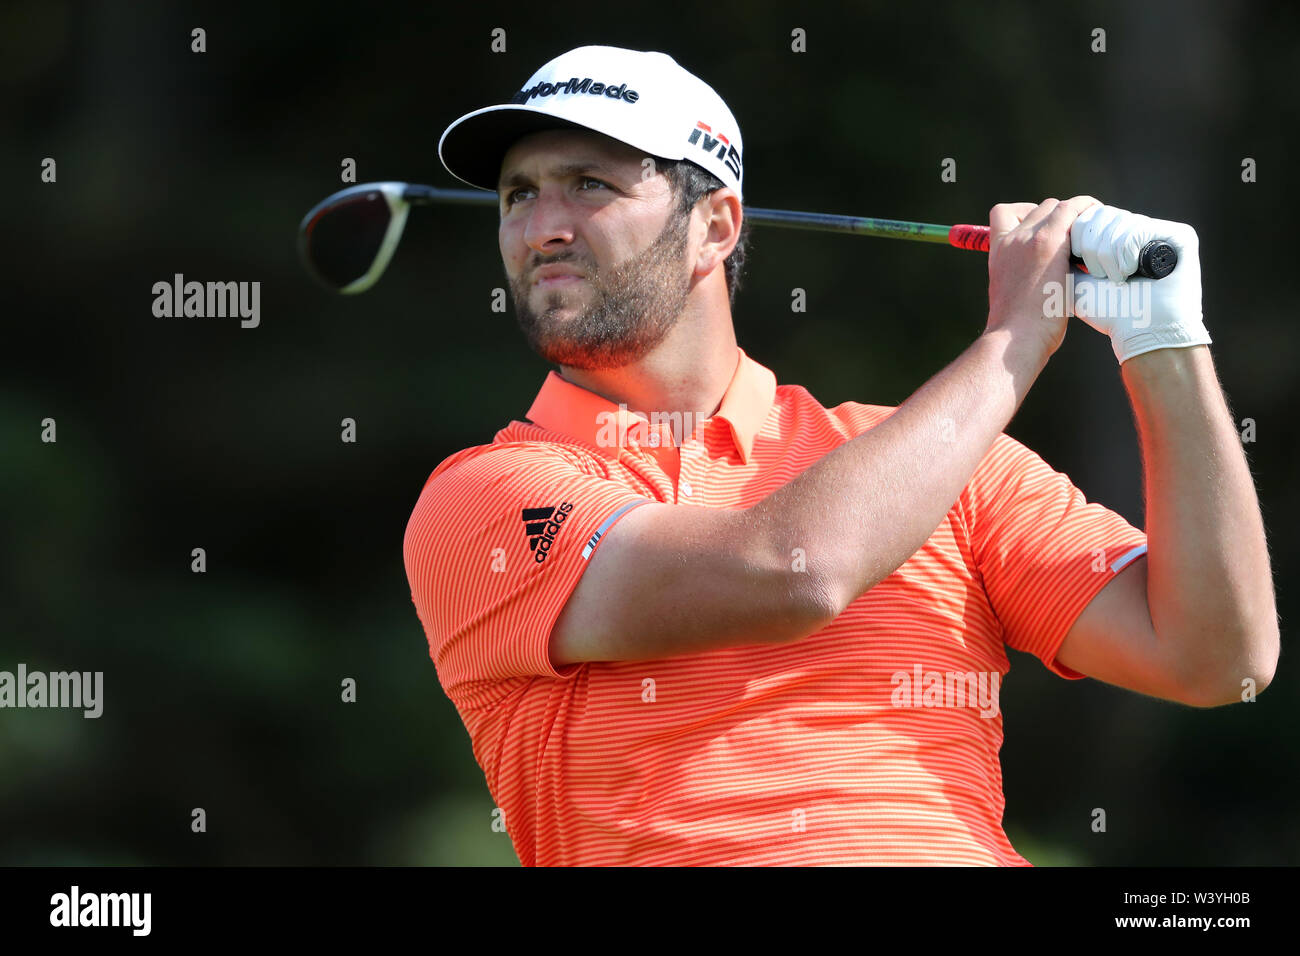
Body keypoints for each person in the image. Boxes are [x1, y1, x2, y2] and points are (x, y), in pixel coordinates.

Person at [403, 45, 1278, 865]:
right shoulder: (484, 498)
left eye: (587, 185)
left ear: (716, 228)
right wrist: (1016, 339)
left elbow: (1215, 660)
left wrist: (1164, 341)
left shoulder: (947, 464)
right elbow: (795, 571)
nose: (541, 227)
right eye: (519, 195)